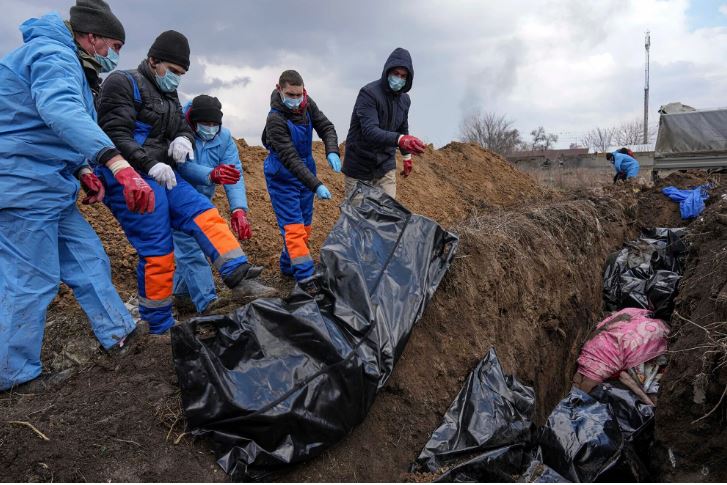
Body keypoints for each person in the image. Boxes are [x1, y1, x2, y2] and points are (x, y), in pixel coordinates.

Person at [0, 0, 155, 391]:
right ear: (91, 37)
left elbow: (45, 128)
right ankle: (13, 376)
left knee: (88, 258)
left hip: (48, 185)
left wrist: (83, 169)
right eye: (114, 47)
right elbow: (59, 111)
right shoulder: (53, 55)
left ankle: (120, 335)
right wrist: (115, 163)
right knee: (31, 278)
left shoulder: (71, 64)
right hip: (19, 183)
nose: (115, 56)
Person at [96, 30, 277, 334]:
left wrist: (182, 137)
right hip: (129, 175)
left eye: (182, 73)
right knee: (159, 251)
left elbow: (182, 126)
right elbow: (114, 134)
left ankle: (239, 277)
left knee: (205, 214)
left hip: (165, 174)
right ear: (153, 60)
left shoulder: (169, 95)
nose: (177, 78)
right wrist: (149, 164)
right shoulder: (122, 83)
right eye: (175, 71)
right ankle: (159, 326)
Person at [262, 70, 341, 294]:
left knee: (304, 227)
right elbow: (290, 158)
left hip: (306, 170)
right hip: (283, 176)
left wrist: (332, 150)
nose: (296, 100)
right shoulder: (275, 120)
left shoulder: (307, 104)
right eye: (291, 94)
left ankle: (288, 266)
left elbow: (326, 127)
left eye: (299, 94)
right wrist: (316, 185)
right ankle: (306, 280)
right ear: (279, 89)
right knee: (294, 230)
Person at [173, 95, 251, 313]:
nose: (209, 128)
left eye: (214, 124)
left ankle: (181, 295)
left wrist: (238, 209)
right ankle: (207, 303)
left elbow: (234, 174)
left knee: (193, 246)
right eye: (204, 124)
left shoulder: (224, 138)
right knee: (190, 250)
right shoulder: (180, 132)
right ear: (192, 120)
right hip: (178, 198)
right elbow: (181, 166)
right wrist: (211, 174)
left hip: (202, 201)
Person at [342, 47, 427, 199]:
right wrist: (400, 139)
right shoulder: (368, 94)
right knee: (357, 218)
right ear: (387, 71)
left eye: (403, 76)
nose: (399, 78)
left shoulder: (404, 100)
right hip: (359, 165)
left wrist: (407, 157)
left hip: (385, 165)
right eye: (396, 74)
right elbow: (370, 131)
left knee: (388, 215)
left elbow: (402, 127)